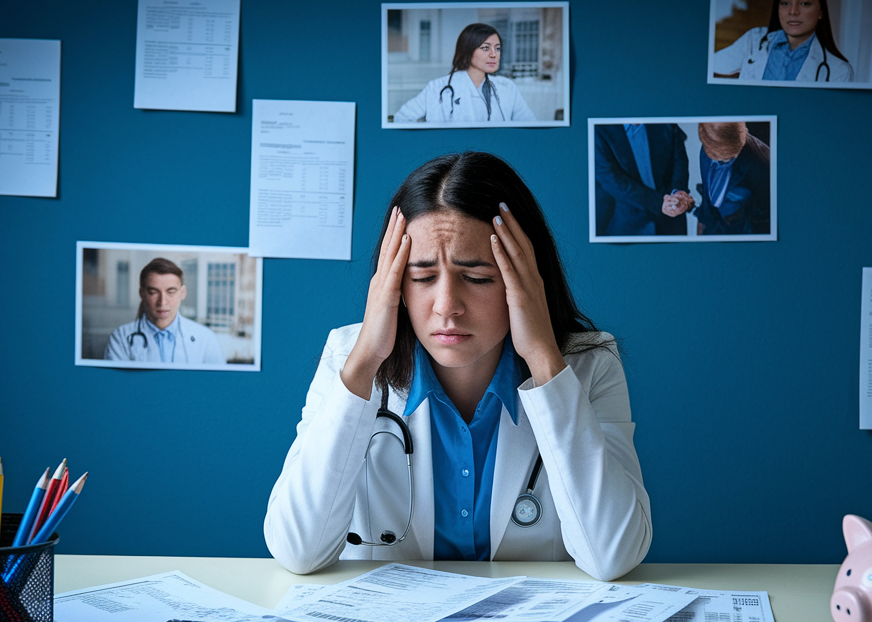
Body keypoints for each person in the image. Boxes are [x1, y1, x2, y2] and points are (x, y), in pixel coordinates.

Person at [265, 152, 651, 581]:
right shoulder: (346, 357)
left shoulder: (590, 363)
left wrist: (544, 359)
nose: (447, 307)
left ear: (525, 278)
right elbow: (298, 550)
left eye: (478, 278)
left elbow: (613, 555)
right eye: (422, 277)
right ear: (392, 284)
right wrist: (363, 363)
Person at [712, 0, 853, 83]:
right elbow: (707, 67)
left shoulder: (838, 70)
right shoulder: (753, 40)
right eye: (785, 3)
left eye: (804, 3)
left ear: (820, 12)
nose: (793, 12)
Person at [392, 23, 537, 123]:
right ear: (468, 50)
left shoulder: (507, 87)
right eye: (485, 48)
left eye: (497, 48)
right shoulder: (438, 87)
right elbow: (402, 119)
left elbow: (530, 125)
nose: (494, 54)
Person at [103, 257, 224, 364]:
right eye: (153, 293)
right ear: (142, 294)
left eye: (171, 292)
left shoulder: (205, 338)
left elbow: (217, 385)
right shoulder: (121, 337)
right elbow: (117, 386)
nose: (162, 302)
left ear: (182, 293)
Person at [593, 122, 694, 236]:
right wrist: (660, 202)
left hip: (672, 224)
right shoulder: (599, 129)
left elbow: (679, 162)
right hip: (625, 226)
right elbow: (610, 178)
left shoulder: (665, 123)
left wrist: (677, 193)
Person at [693, 122, 771, 235]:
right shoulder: (708, 146)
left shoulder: (758, 165)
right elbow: (707, 197)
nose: (712, 154)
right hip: (714, 230)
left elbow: (765, 214)